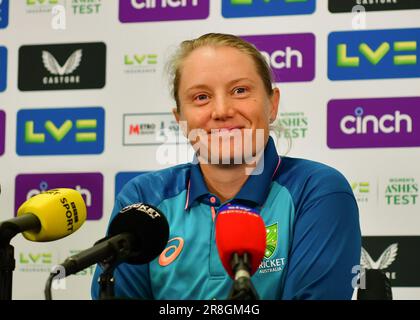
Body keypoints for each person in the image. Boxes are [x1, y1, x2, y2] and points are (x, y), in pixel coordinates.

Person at [91, 33, 361, 300]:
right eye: (201, 97)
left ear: (272, 104)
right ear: (180, 118)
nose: (221, 110)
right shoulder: (143, 198)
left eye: (240, 91)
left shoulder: (317, 191)